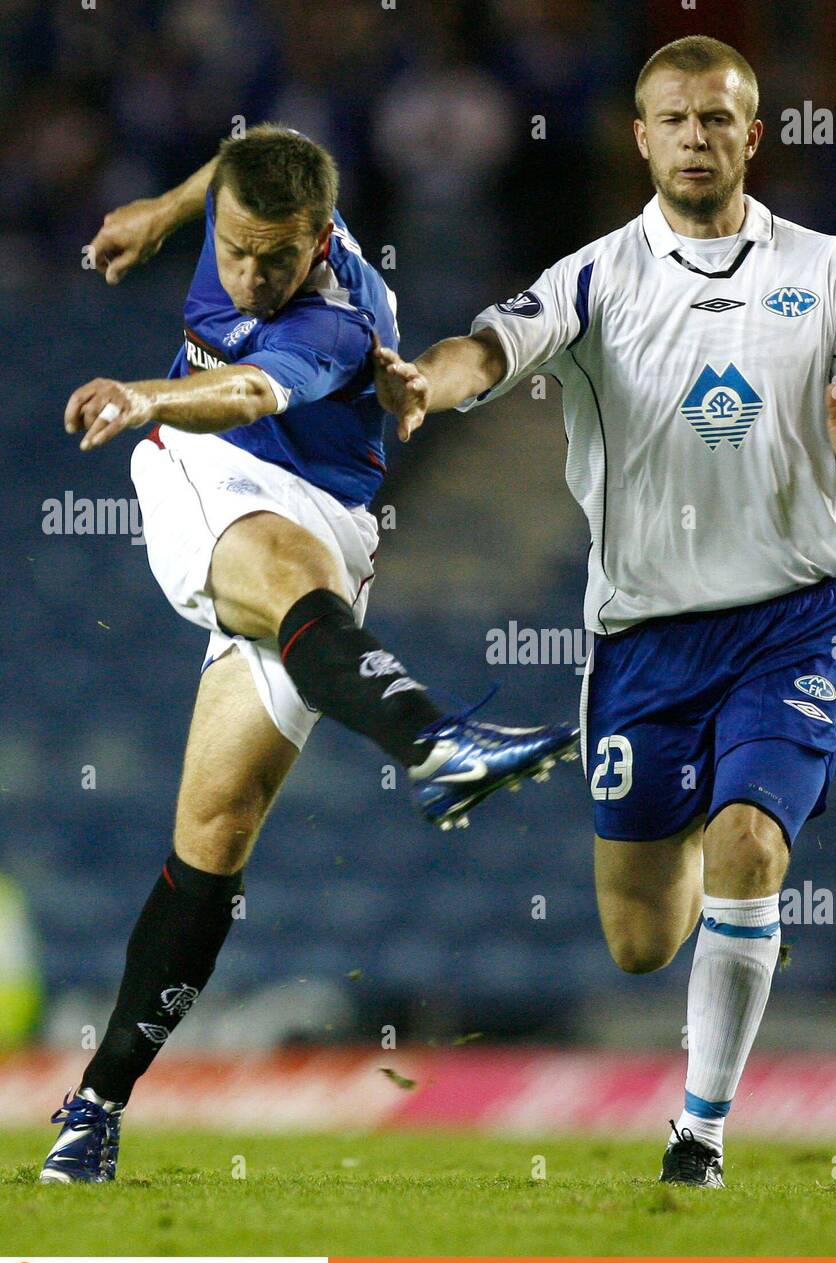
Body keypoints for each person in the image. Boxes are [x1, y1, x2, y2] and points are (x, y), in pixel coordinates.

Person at [372, 37, 836, 1187]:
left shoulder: (826, 270)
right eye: (672, 119)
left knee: (747, 842)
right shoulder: (594, 276)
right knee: (639, 943)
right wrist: (429, 383)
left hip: (796, 616)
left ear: (751, 135)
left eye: (716, 120)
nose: (694, 138)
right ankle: (702, 806)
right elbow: (489, 346)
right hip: (646, 638)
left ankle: (700, 1135)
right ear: (640, 137)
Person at [40, 125, 576, 1184]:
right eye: (232, 247)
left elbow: (246, 391)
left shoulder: (338, 317)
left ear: (320, 238)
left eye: (272, 257)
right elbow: (249, 162)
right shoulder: (249, 198)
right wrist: (161, 209)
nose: (247, 271)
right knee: (286, 569)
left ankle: (93, 1107)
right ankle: (436, 739)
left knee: (215, 836)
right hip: (202, 474)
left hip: (310, 510)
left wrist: (144, 390)